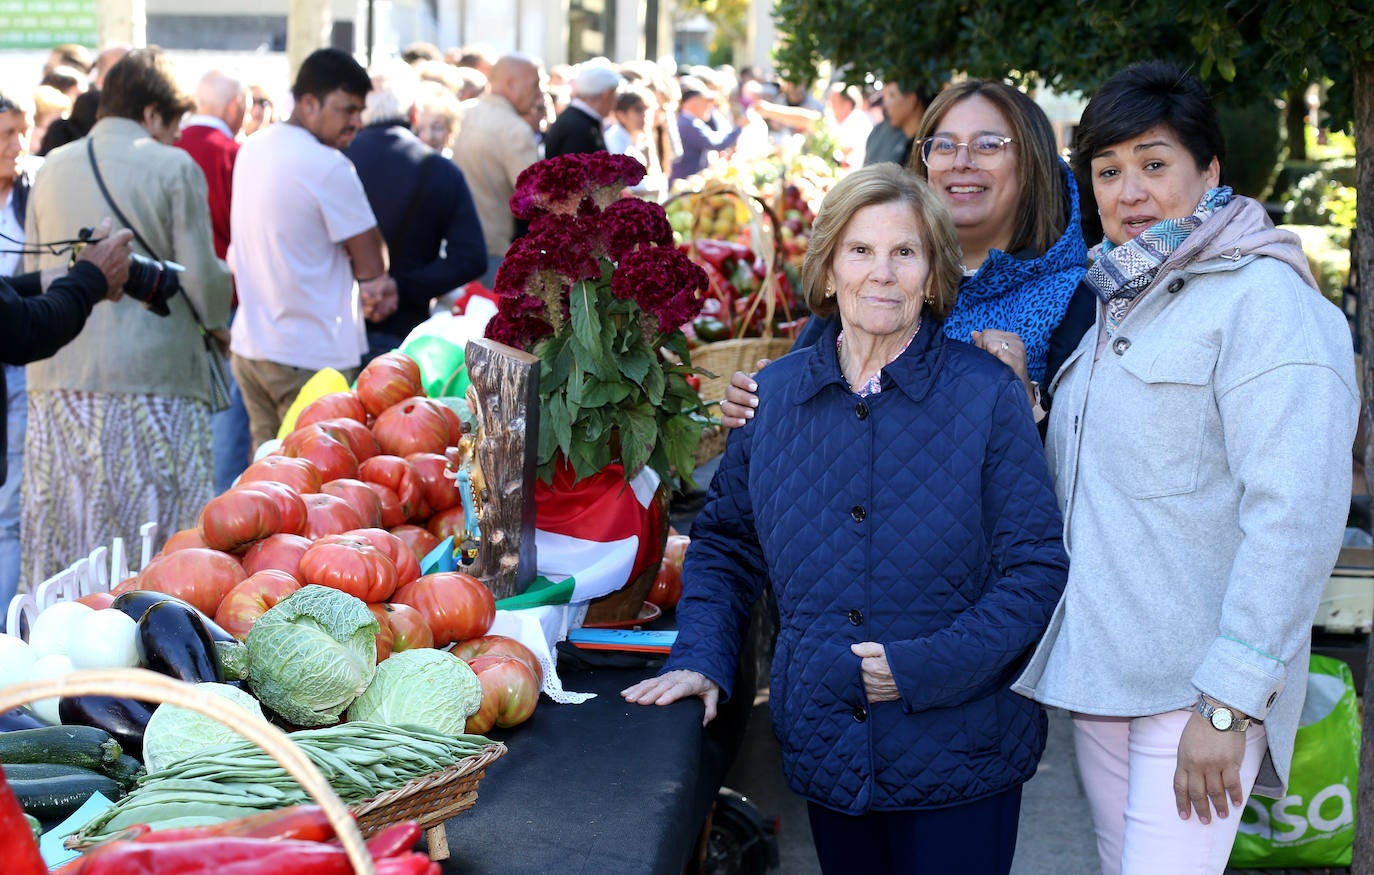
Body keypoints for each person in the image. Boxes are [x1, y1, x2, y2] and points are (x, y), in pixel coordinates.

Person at [624, 163, 1068, 875]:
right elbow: (729, 545)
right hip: (830, 743)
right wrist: (703, 655)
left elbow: (1036, 568)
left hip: (961, 750)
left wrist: (923, 668)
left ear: (933, 274)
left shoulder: (986, 396)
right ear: (828, 270)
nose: (882, 273)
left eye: (906, 252)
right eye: (861, 250)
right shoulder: (772, 396)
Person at [1011, 61, 1359, 875]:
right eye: (1108, 170)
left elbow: (1297, 514)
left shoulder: (1265, 303)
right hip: (1106, 677)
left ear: (1210, 170)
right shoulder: (1117, 294)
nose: (1130, 191)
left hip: (1197, 690)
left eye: (1154, 163)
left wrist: (1231, 703)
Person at [722, 79, 1092, 426]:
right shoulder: (873, 272)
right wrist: (760, 397)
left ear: (1032, 163)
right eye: (945, 145)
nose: (961, 161)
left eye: (988, 145)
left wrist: (1027, 401)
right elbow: (798, 390)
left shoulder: (1075, 298)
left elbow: (1077, 464)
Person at [22, 48, 232, 590]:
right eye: (175, 121)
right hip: (156, 381)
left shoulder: (51, 167)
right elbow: (203, 286)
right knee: (154, 548)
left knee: (69, 544)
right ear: (153, 112)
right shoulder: (174, 166)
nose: (176, 133)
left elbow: (31, 274)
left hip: (59, 377)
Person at [229, 47, 396, 451]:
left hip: (253, 347)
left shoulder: (253, 145)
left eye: (361, 110)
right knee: (313, 486)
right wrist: (378, 287)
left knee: (265, 485)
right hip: (308, 356)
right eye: (347, 110)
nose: (357, 122)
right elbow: (374, 265)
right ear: (308, 103)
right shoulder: (328, 164)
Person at [344, 62, 486, 361]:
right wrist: (401, 287)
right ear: (414, 114)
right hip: (408, 335)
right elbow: (471, 258)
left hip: (339, 327)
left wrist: (370, 288)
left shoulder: (335, 161)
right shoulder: (442, 170)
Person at [174, 69, 251, 494]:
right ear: (234, 107)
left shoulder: (170, 149)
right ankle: (220, 503)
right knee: (226, 412)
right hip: (226, 299)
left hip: (171, 300)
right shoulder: (232, 153)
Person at [452, 53, 542, 288]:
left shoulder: (466, 113)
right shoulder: (514, 129)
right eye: (534, 84)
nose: (538, 93)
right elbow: (536, 199)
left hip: (459, 245)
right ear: (511, 84)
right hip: (494, 251)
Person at [542, 60, 620, 158]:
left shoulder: (576, 122)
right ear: (606, 94)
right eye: (615, 93)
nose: (616, 100)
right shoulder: (579, 130)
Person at [863, 80, 926, 167]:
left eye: (892, 95)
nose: (886, 104)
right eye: (884, 96)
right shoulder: (908, 144)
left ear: (912, 100)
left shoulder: (926, 147)